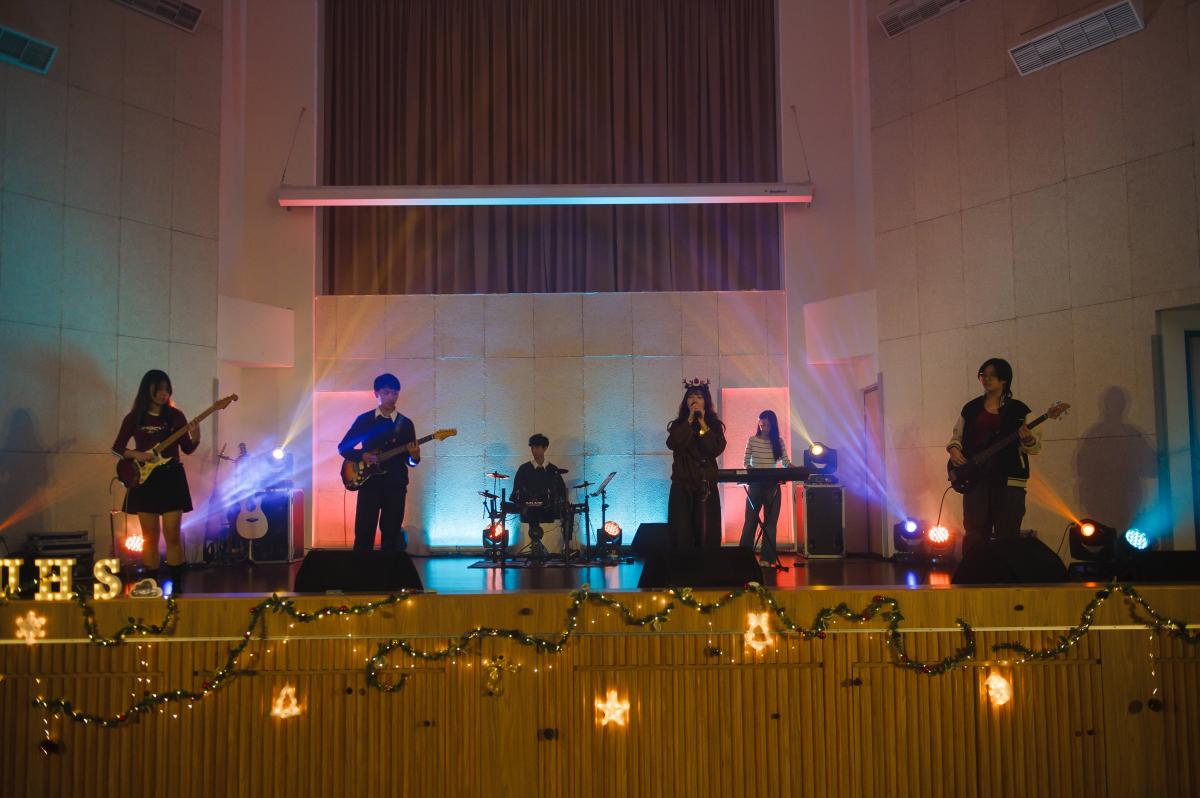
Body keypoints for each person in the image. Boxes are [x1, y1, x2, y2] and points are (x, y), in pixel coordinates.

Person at [112, 369, 200, 596]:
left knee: (172, 534)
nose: (163, 394)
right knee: (149, 536)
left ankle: (177, 586)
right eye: (159, 389)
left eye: (167, 389)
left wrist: (196, 436)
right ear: (147, 390)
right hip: (145, 478)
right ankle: (151, 584)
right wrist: (138, 455)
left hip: (171, 477)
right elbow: (118, 448)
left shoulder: (175, 416)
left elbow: (187, 448)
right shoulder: (134, 418)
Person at [946, 358, 1041, 556]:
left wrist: (1028, 439)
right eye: (983, 375)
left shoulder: (1019, 410)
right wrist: (954, 451)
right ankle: (973, 572)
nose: (986, 379)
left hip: (1009, 480)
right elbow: (957, 437)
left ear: (1004, 380)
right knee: (974, 533)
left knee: (1007, 534)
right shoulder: (971, 408)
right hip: (975, 479)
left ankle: (1005, 573)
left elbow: (1034, 447)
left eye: (992, 376)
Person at [337, 373, 420, 553]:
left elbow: (410, 461)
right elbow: (343, 447)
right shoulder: (364, 420)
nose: (391, 397)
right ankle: (361, 569)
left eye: (395, 393)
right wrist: (362, 455)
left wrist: (414, 457)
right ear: (376, 393)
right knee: (363, 533)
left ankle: (389, 571)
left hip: (395, 484)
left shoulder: (405, 424)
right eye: (386, 392)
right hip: (369, 483)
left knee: (392, 535)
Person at [666, 379, 727, 547]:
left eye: (699, 397)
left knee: (706, 533)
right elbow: (674, 443)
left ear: (705, 401)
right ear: (686, 402)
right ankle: (682, 563)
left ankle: (706, 562)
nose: (695, 401)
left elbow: (714, 448)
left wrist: (702, 422)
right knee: (681, 532)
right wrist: (690, 420)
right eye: (691, 397)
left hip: (705, 485)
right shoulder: (678, 425)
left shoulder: (713, 425)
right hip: (682, 484)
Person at [738, 410, 791, 567]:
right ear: (759, 424)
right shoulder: (752, 440)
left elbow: (786, 462)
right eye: (762, 425)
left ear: (773, 426)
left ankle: (766, 559)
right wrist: (750, 469)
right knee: (750, 521)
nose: (765, 428)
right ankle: (742, 559)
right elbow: (746, 462)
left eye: (768, 425)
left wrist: (796, 468)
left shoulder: (778, 442)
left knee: (770, 523)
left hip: (772, 485)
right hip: (755, 484)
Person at [511, 433, 568, 555]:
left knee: (568, 513)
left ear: (545, 448)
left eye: (537, 447)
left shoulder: (552, 469)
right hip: (530, 507)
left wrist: (560, 502)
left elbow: (561, 490)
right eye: (532, 448)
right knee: (532, 512)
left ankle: (566, 547)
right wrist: (524, 500)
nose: (534, 451)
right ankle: (536, 545)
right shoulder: (524, 469)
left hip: (549, 508)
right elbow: (517, 489)